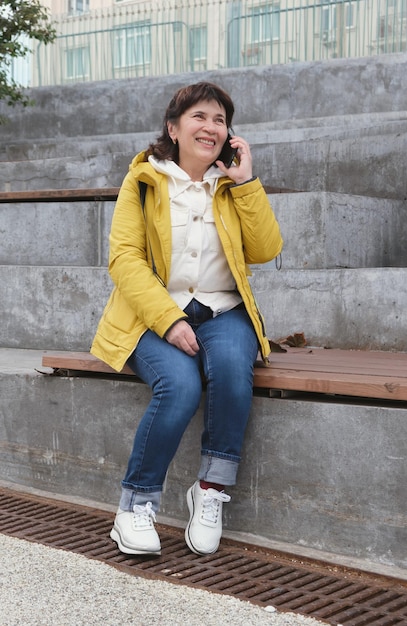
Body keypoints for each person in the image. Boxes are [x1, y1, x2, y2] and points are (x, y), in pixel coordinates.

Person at [91, 81, 283, 557]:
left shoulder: (231, 186)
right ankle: (134, 507)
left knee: (235, 373)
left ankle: (211, 491)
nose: (211, 127)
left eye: (220, 120)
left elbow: (266, 249)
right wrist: (168, 320)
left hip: (222, 311)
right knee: (179, 385)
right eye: (199, 117)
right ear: (173, 128)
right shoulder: (142, 180)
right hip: (151, 315)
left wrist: (246, 184)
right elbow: (124, 261)